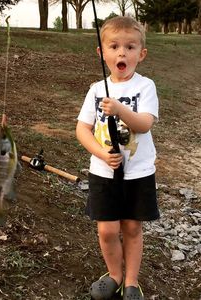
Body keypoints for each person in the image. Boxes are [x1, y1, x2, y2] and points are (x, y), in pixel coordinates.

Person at [76, 16, 159, 300]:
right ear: (102, 53)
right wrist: (101, 153)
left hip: (138, 172)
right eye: (114, 46)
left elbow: (144, 124)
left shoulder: (145, 86)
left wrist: (120, 110)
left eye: (130, 47)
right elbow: (82, 129)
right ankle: (114, 274)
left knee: (133, 227)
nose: (122, 52)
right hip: (103, 172)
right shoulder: (96, 90)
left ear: (141, 54)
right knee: (107, 230)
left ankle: (132, 282)